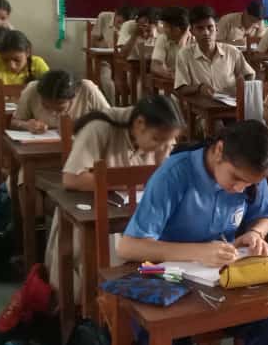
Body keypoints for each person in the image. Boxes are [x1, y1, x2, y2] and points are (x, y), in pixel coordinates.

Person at [118, 120, 268, 345]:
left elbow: (263, 216)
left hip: (217, 284)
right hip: (164, 278)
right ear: (219, 151)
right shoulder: (175, 174)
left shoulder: (250, 173)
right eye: (235, 178)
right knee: (172, 343)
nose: (240, 189)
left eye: (249, 184)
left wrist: (255, 233)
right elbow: (128, 247)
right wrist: (198, 251)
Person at [46, 96, 184, 302]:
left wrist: (161, 159)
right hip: (93, 209)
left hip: (135, 210)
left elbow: (164, 179)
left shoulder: (162, 135)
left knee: (169, 240)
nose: (162, 146)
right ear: (139, 124)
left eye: (167, 142)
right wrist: (128, 182)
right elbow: (71, 178)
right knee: (115, 252)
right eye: (157, 140)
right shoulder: (99, 128)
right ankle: (101, 302)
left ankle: (150, 295)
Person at [175, 5, 256, 98]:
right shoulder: (184, 55)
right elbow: (181, 88)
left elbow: (249, 74)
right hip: (202, 104)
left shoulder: (232, 51)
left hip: (230, 102)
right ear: (192, 31)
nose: (206, 33)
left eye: (210, 27)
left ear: (216, 29)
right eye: (200, 28)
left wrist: (241, 91)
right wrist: (199, 88)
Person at [11, 70, 110, 133]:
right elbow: (14, 122)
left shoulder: (87, 89)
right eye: (46, 106)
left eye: (59, 107)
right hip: (41, 147)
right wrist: (27, 125)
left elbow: (111, 119)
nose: (53, 112)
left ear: (73, 96)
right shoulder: (32, 89)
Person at [0, 30, 49, 103]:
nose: (11, 66)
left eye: (17, 60)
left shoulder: (37, 63)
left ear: (27, 53)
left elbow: (52, 93)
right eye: (5, 60)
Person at [151, 6, 193, 80]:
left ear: (177, 28)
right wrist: (171, 76)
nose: (163, 29)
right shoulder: (163, 38)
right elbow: (155, 66)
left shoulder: (195, 41)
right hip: (172, 83)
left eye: (165, 26)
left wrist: (182, 43)